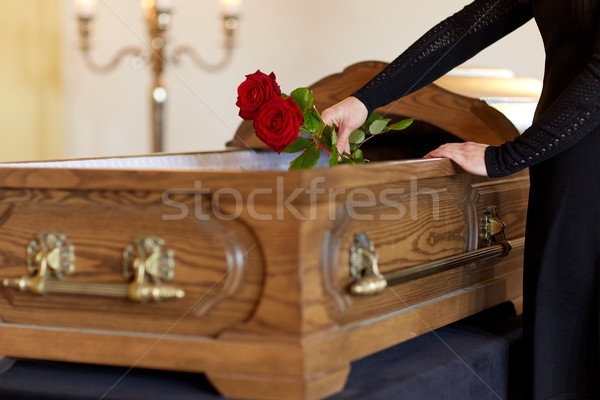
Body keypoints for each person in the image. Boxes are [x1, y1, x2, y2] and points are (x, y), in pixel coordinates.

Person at [321, 1, 600, 399]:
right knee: (560, 336)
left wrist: (503, 157)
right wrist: (363, 101)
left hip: (583, 153)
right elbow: (466, 29)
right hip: (562, 157)